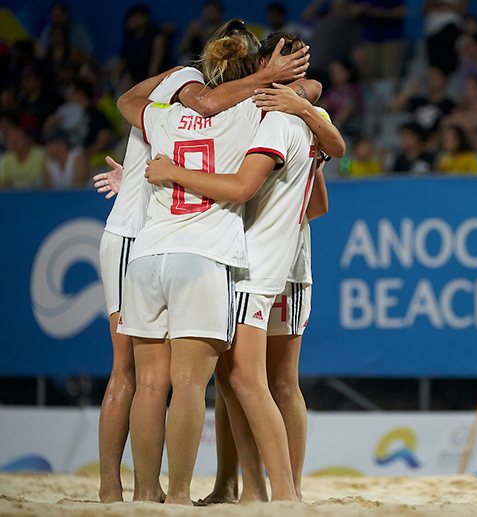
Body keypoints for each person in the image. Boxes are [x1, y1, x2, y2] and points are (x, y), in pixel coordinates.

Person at [92, 23, 313, 503]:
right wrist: (277, 82)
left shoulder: (166, 115)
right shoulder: (253, 113)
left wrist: (142, 172)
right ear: (251, 71)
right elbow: (305, 94)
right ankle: (179, 497)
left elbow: (128, 104)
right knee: (191, 384)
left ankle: (140, 493)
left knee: (146, 381)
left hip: (148, 253)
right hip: (203, 256)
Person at [142, 33, 343, 503]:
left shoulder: (280, 115)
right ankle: (246, 486)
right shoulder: (261, 112)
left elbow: (251, 189)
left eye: (302, 59)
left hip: (268, 264)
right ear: (262, 62)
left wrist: (169, 172)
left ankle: (282, 491)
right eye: (287, 56)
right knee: (242, 382)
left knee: (260, 381)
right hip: (254, 259)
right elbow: (319, 196)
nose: (298, 67)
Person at [389, 66, 455, 138]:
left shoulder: (450, 105)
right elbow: (393, 107)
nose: (431, 81)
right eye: (429, 78)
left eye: (434, 77)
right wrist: (410, 89)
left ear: (445, 80)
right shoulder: (418, 101)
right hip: (415, 141)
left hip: (436, 144)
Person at [352, 0, 406, 80]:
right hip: (368, 37)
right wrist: (361, 8)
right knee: (368, 74)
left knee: (390, 73)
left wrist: (383, 13)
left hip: (390, 37)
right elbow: (347, 10)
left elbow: (403, 10)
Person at [118, 4, 171, 84]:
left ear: (145, 17)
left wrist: (149, 82)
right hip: (133, 81)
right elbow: (123, 62)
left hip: (156, 79)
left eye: (137, 17)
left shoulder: (156, 37)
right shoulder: (129, 42)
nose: (133, 20)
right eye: (131, 17)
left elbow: (155, 66)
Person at [320, 58, 364, 136]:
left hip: (354, 130)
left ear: (348, 72)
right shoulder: (331, 92)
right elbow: (322, 106)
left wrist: (332, 128)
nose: (335, 74)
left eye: (339, 71)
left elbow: (348, 109)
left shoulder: (355, 90)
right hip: (335, 129)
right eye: (332, 72)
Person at [422, 0, 466, 76]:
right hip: (432, 31)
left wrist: (444, 3)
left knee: (448, 66)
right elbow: (424, 10)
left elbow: (461, 10)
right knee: (434, 66)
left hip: (450, 28)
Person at [178, 0, 225, 65]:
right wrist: (189, 35)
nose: (210, 13)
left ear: (219, 13)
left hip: (215, 61)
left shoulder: (224, 29)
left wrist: (204, 35)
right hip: (194, 60)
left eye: (212, 11)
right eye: (208, 11)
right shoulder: (195, 27)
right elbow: (182, 51)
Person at [0, 122, 44, 189]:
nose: (14, 141)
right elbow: (3, 184)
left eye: (17, 137)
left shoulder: (42, 155)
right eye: (11, 139)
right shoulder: (6, 159)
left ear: (27, 139)